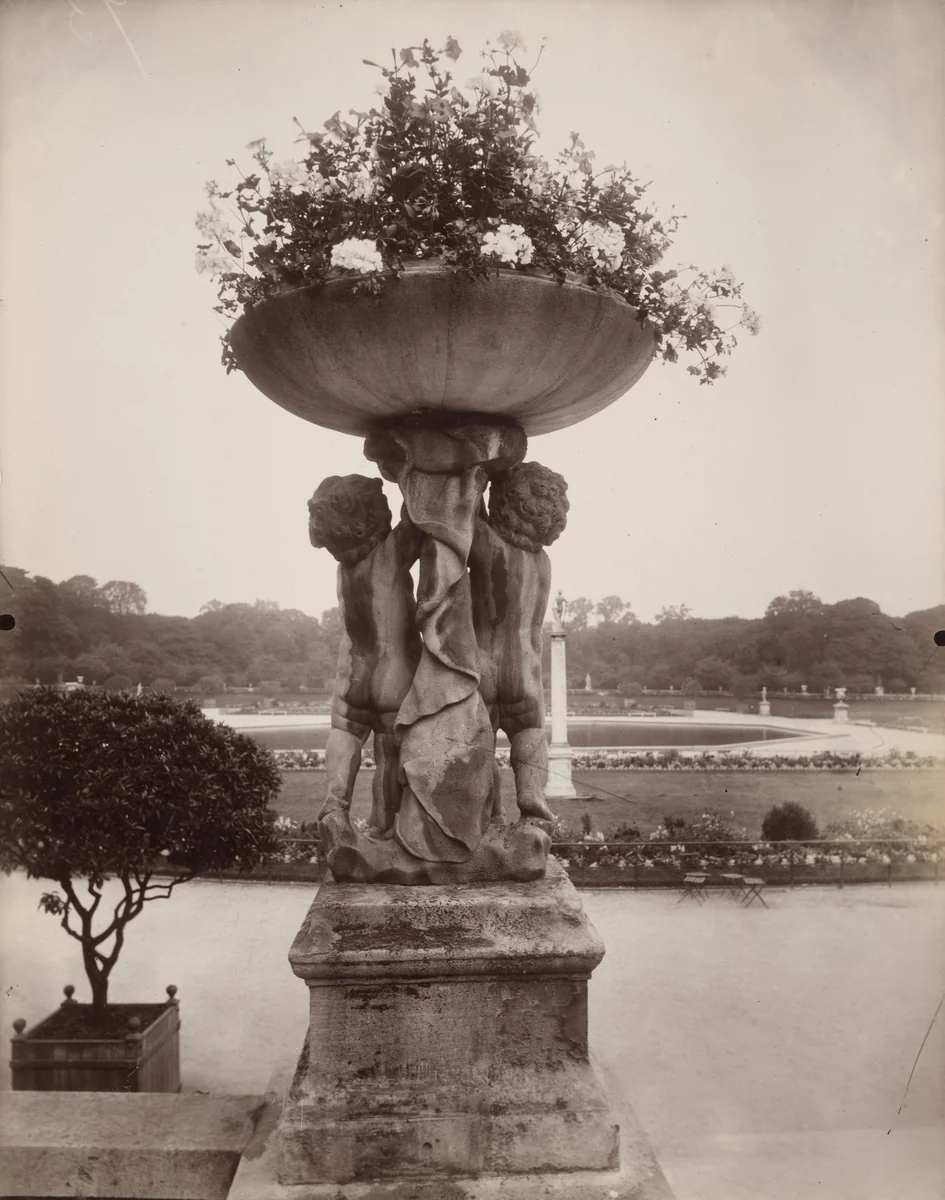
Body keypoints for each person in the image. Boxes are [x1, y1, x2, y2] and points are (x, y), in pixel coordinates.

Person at [307, 474, 422, 839]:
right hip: (394, 674)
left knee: (344, 732)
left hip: (352, 672)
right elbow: (416, 520)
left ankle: (336, 805)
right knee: (388, 754)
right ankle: (382, 826)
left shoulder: (345, 569)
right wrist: (409, 475)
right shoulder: (388, 555)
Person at [469, 461, 569, 822]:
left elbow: (466, 522)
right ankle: (530, 794)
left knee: (480, 744)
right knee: (529, 733)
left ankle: (491, 814)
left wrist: (476, 480)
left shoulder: (493, 549)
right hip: (526, 670)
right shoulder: (543, 565)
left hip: (484, 664)